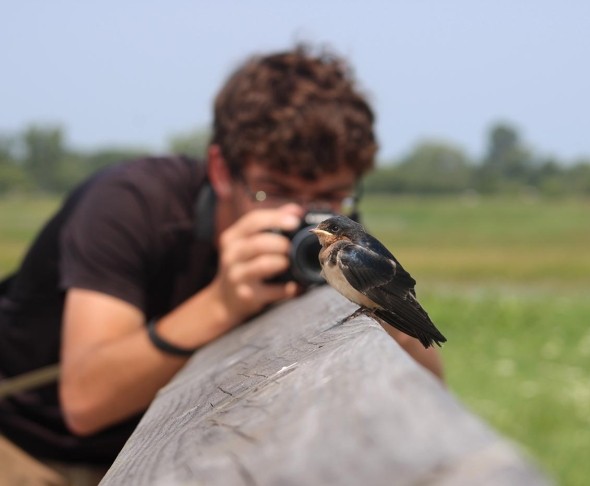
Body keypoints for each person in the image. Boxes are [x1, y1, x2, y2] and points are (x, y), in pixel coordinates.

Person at [0, 45, 443, 484]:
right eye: (273, 191)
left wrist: (389, 316)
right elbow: (85, 402)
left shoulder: (334, 240)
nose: (299, 218)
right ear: (220, 169)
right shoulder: (130, 206)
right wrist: (221, 303)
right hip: (27, 447)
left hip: (167, 453)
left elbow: (428, 382)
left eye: (331, 197)